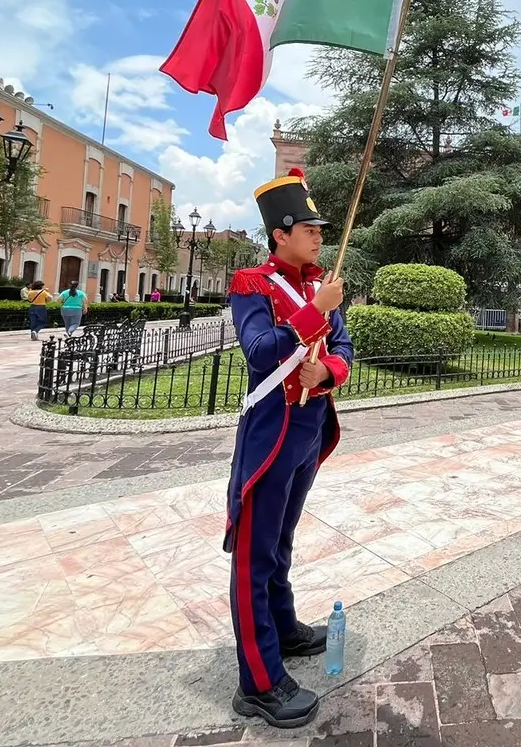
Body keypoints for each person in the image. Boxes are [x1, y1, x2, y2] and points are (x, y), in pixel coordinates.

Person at [224, 167, 353, 729]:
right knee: (255, 555)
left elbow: (344, 349)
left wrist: (325, 369)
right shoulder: (252, 284)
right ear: (280, 232)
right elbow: (258, 352)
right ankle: (258, 681)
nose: (319, 234)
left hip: (307, 434)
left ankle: (283, 625)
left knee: (281, 542)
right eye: (308, 227)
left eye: (321, 227)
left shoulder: (319, 285)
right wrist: (313, 313)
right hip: (271, 436)